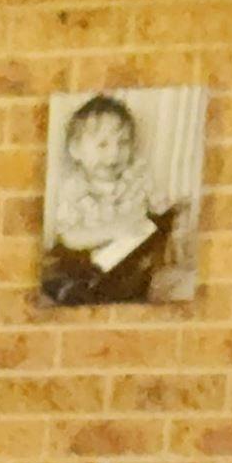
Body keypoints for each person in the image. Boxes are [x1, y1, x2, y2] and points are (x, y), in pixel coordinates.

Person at [34, 89, 179, 307]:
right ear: (76, 150)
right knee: (67, 272)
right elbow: (69, 237)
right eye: (103, 145)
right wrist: (112, 230)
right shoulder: (74, 188)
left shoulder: (136, 175)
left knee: (144, 266)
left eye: (123, 143)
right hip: (85, 259)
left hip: (127, 259)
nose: (114, 154)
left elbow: (157, 204)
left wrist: (161, 208)